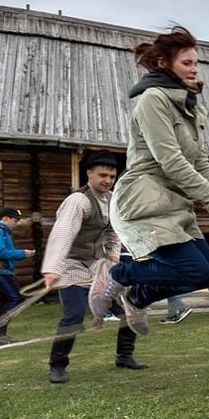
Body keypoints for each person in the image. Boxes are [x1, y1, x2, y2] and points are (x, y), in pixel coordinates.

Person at [89, 26, 209, 332]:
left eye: (195, 63)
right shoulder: (153, 100)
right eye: (187, 63)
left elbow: (199, 162)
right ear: (165, 64)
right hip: (144, 196)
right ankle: (118, 275)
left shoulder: (188, 106)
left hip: (174, 201)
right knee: (191, 269)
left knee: (208, 274)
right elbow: (171, 160)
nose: (194, 69)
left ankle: (137, 298)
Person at [41, 151, 148, 383]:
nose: (107, 180)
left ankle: (125, 356)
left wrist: (113, 260)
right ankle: (57, 366)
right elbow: (62, 235)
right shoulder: (77, 201)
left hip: (99, 264)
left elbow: (113, 233)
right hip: (71, 264)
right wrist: (52, 268)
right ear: (89, 173)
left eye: (111, 175)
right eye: (102, 175)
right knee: (74, 317)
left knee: (130, 307)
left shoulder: (113, 200)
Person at [0, 206, 35, 345]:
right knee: (15, 297)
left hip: (2, 271)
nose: (16, 223)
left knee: (4, 300)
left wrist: (21, 254)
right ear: (6, 218)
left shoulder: (3, 232)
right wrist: (22, 253)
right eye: (15, 220)